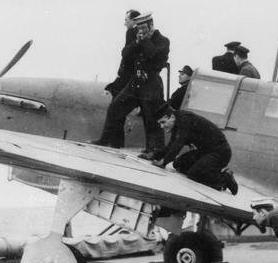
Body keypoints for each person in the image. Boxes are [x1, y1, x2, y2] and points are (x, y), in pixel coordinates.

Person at [93, 12, 169, 155]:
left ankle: (154, 150)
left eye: (143, 28)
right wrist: (136, 43)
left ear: (151, 25)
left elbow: (153, 55)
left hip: (151, 83)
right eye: (139, 28)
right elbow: (125, 54)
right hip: (136, 82)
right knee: (115, 107)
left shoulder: (162, 41)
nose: (140, 31)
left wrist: (145, 41)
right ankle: (105, 139)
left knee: (151, 117)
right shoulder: (138, 39)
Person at [148, 106, 238, 195]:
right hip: (205, 152)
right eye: (160, 123)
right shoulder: (177, 121)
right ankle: (209, 171)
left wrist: (164, 162)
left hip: (220, 153)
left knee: (194, 174)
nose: (162, 126)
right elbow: (171, 145)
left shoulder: (184, 120)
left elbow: (178, 144)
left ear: (171, 117)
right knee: (178, 164)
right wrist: (153, 156)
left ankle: (225, 178)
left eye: (163, 122)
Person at [104, 10, 141, 97]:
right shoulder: (140, 32)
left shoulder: (131, 32)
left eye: (126, 20)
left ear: (134, 20)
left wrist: (121, 72)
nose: (125, 23)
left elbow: (126, 54)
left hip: (128, 75)